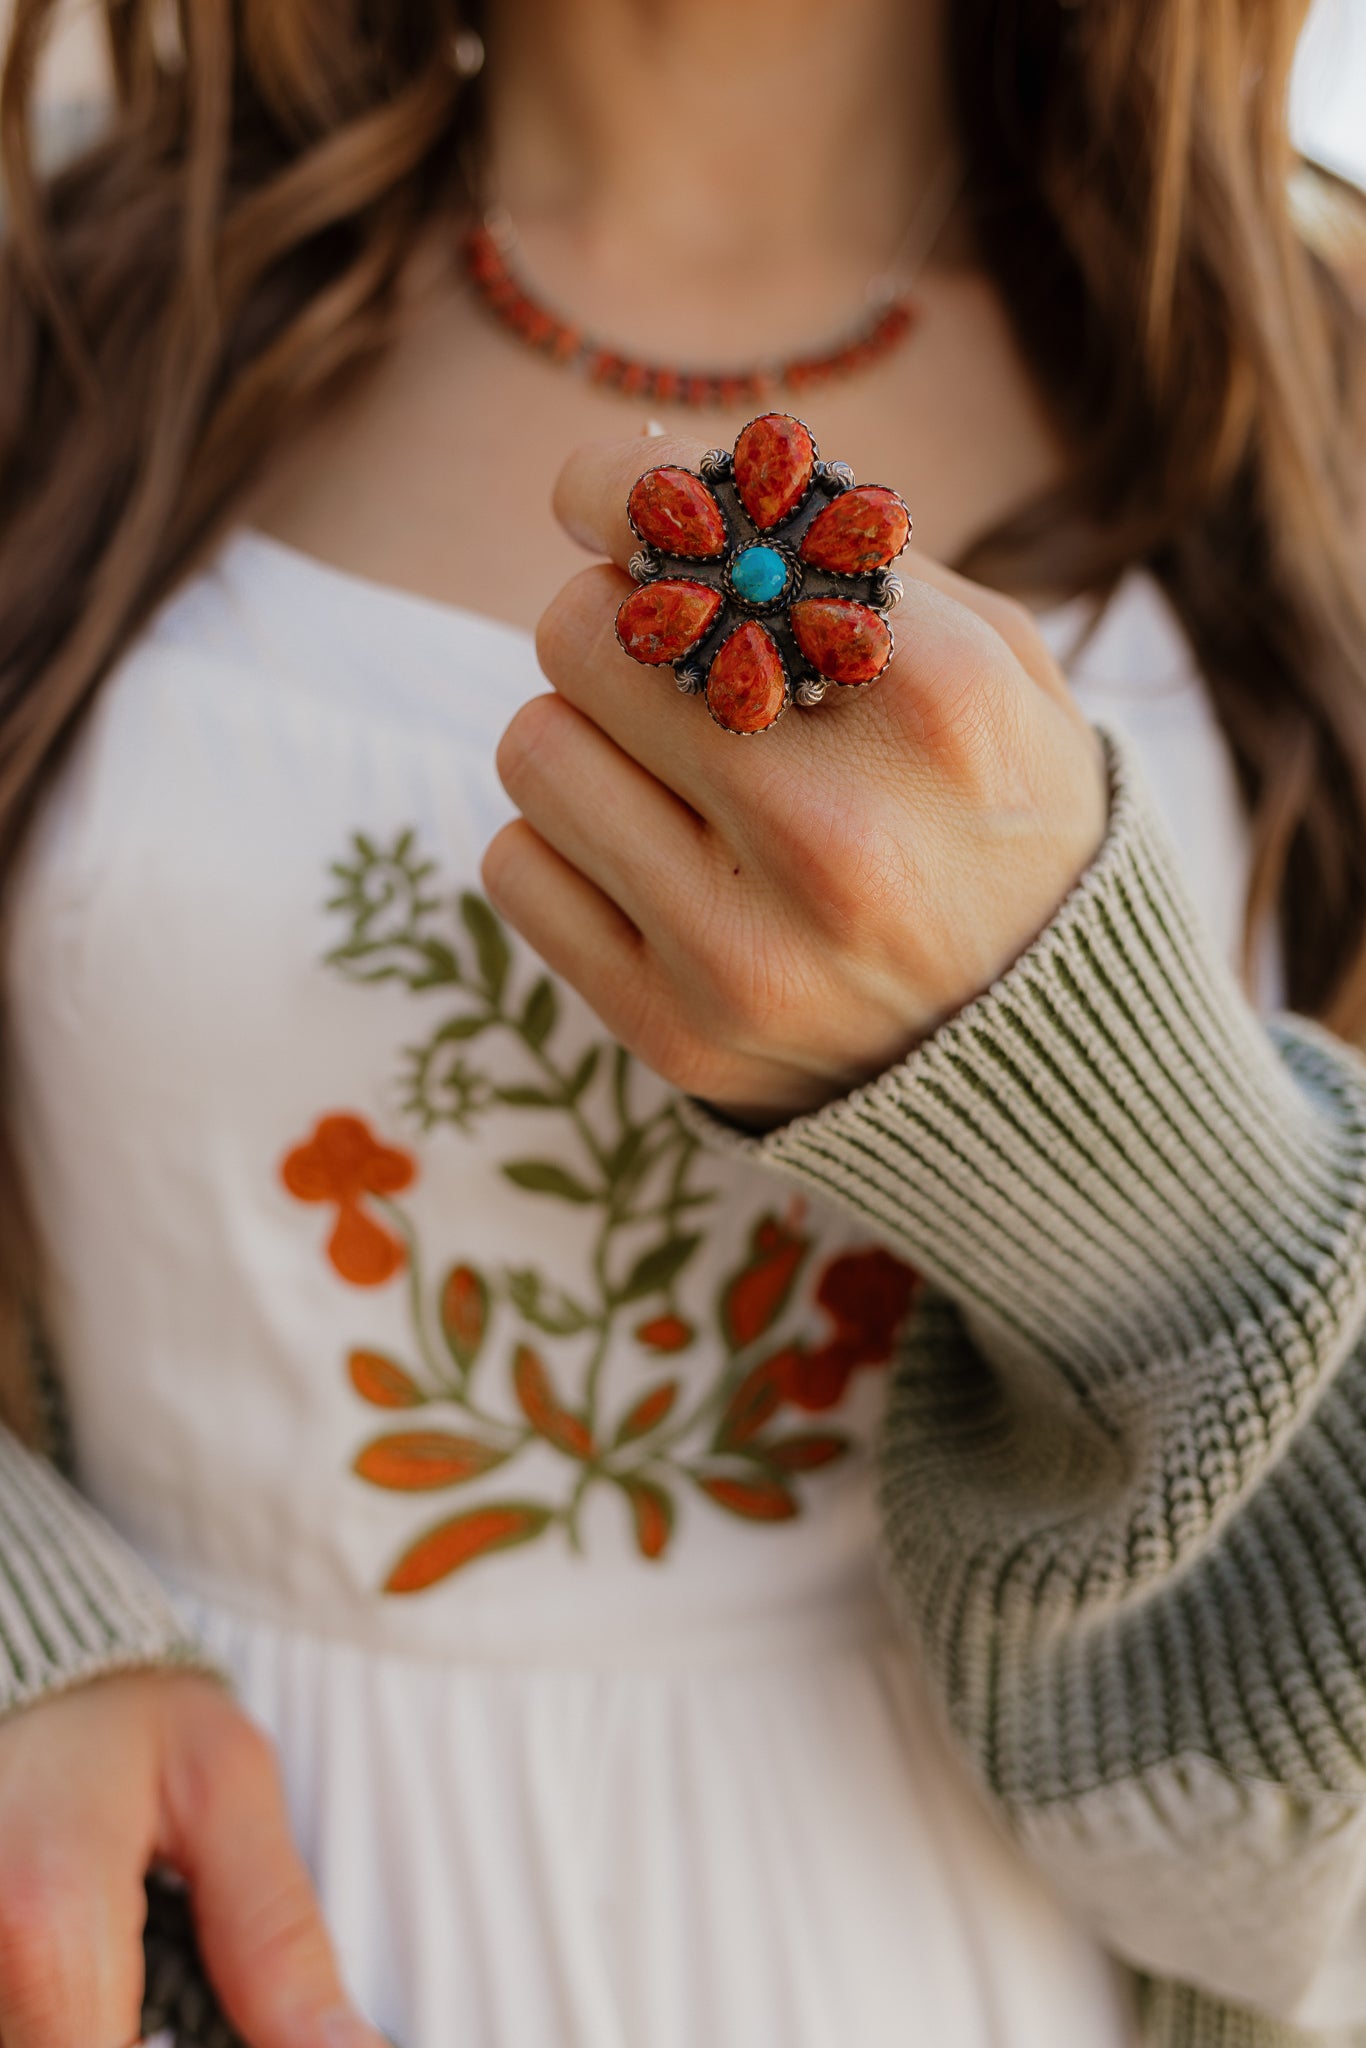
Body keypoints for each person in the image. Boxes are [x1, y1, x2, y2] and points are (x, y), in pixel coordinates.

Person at [0, 1, 1363, 2045]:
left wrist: (1128, 1142)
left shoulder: (1307, 410)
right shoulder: (61, 316)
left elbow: (1309, 1863)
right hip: (219, 1953)